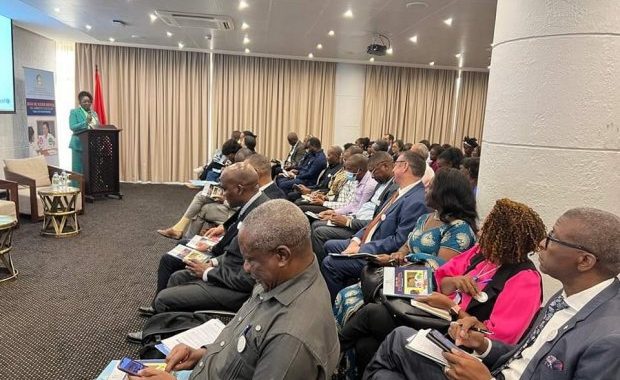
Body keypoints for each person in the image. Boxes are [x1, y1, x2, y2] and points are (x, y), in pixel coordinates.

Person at [364, 207, 620, 380]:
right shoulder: (565, 298)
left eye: (553, 238)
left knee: (390, 340)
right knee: (390, 358)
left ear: (585, 261)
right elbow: (522, 354)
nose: (542, 243)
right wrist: (483, 344)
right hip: (487, 364)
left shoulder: (609, 339)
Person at [129, 199, 340, 380]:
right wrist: (203, 354)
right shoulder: (284, 279)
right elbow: (246, 347)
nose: (246, 268)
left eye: (251, 260)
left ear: (282, 256)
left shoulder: (291, 340)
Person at [335, 168, 478, 375]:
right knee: (347, 298)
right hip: (402, 277)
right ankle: (343, 364)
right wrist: (396, 256)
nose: (426, 188)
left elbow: (439, 271)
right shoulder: (425, 218)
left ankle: (334, 353)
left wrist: (409, 258)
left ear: (446, 193)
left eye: (432, 186)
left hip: (425, 293)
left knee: (362, 310)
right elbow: (405, 246)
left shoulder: (459, 229)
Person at [135, 163, 271, 320]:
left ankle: (159, 323)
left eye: (225, 189)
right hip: (226, 270)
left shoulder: (260, 216)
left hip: (237, 290)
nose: (223, 194)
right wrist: (213, 263)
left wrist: (208, 271)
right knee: (177, 278)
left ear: (239, 189)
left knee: (166, 295)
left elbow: (249, 278)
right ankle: (163, 325)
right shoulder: (252, 205)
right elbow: (234, 254)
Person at [321, 151, 428, 301]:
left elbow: (400, 240)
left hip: (380, 254)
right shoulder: (399, 192)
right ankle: (343, 289)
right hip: (369, 241)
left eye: (396, 164)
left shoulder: (416, 200)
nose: (393, 168)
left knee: (330, 264)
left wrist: (362, 249)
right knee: (329, 245)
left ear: (404, 167)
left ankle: (334, 305)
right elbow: (375, 221)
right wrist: (356, 241)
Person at [310, 152, 397, 261]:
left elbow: (375, 219)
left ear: (386, 166)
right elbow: (357, 207)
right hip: (357, 220)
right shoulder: (379, 183)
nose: (372, 176)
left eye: (373, 171)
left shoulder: (381, 186)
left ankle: (321, 267)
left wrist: (348, 221)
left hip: (360, 225)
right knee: (316, 224)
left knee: (319, 231)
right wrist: (336, 213)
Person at [69, 91, 99, 173]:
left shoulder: (94, 113)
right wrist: (85, 122)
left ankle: (89, 186)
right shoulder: (74, 112)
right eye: (84, 101)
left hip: (91, 145)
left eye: (89, 101)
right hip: (78, 144)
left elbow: (97, 126)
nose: (87, 103)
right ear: (80, 102)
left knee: (90, 170)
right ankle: (76, 186)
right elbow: (72, 127)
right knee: (78, 170)